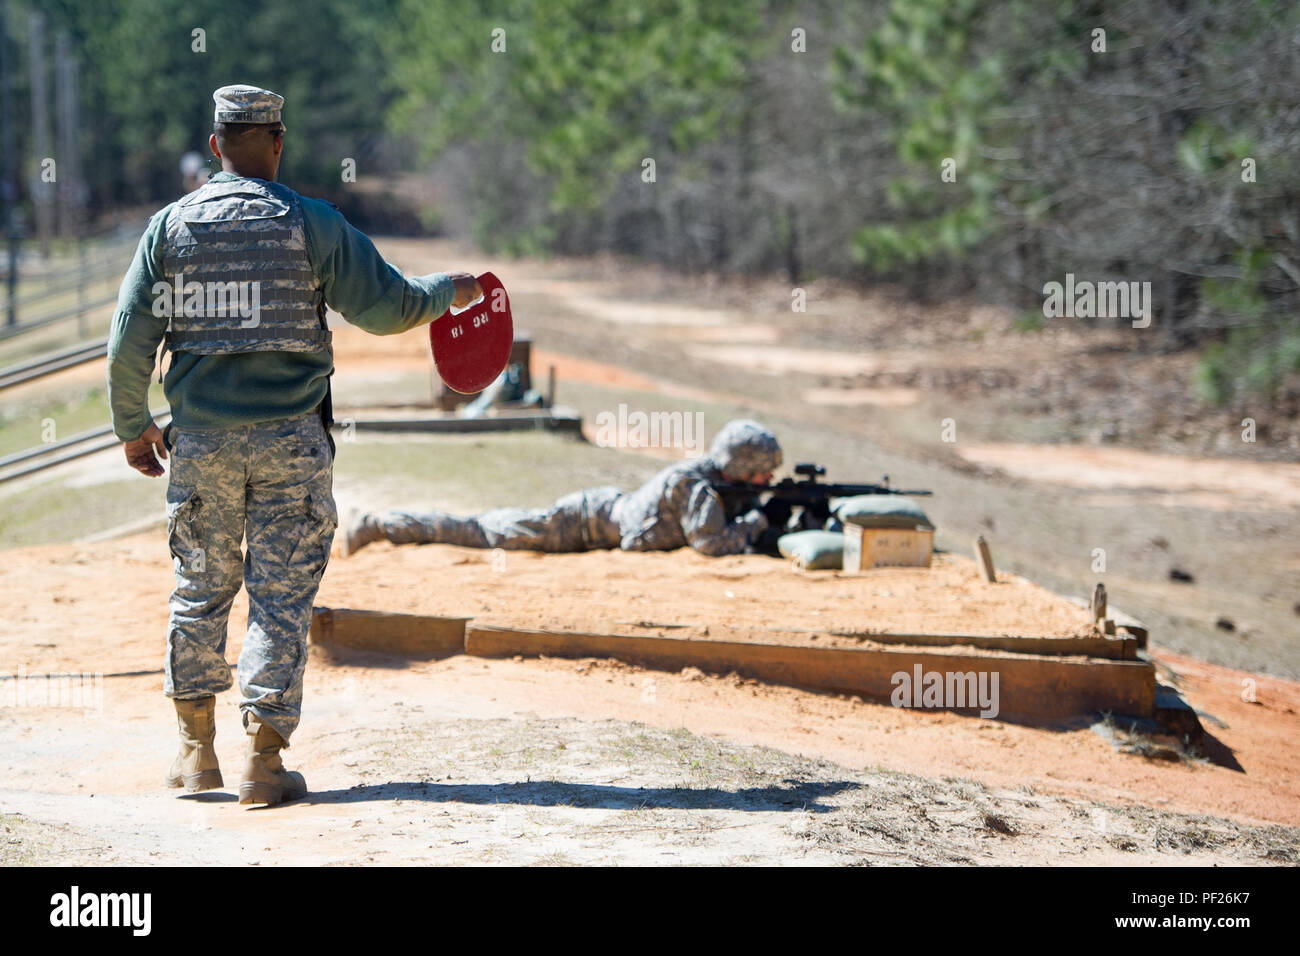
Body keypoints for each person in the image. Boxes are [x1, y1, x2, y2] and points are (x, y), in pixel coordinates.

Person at [107, 85, 483, 806]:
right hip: (293, 445)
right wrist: (452, 290)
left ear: (215, 146)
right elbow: (391, 308)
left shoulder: (169, 229)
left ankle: (193, 754)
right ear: (278, 142)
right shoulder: (313, 224)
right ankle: (264, 760)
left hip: (202, 444)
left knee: (199, 589)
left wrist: (134, 428)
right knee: (279, 601)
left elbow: (129, 345)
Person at [340, 418, 782, 557]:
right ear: (741, 465)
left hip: (594, 516)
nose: (767, 481)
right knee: (481, 532)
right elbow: (710, 542)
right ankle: (379, 524)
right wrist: (758, 524)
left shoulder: (707, 481)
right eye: (763, 472)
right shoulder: (696, 485)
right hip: (577, 524)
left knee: (487, 526)